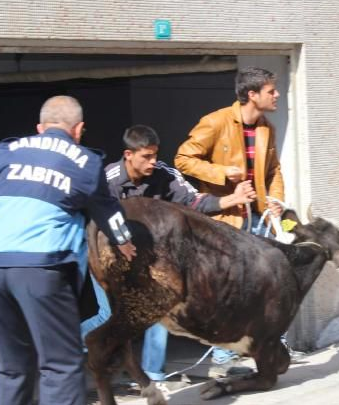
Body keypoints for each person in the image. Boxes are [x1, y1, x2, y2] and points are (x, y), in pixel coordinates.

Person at [81, 124, 256, 386]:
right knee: (107, 317)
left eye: (155, 155)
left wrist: (231, 199)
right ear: (128, 154)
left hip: (147, 260)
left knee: (157, 309)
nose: (153, 162)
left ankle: (153, 375)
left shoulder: (164, 174)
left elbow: (194, 203)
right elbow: (92, 220)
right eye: (146, 157)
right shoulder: (106, 180)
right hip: (106, 258)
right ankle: (65, 346)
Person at [0, 95, 136, 405]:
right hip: (42, 267)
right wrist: (123, 240)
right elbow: (107, 211)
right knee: (60, 364)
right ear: (79, 130)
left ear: (39, 128)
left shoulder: (6, 151)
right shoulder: (85, 161)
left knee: (11, 368)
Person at [175, 66, 305, 374]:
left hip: (259, 219)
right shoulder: (216, 121)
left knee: (271, 284)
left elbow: (273, 171)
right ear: (252, 94)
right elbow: (183, 158)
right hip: (226, 220)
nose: (276, 95)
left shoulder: (266, 128)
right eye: (271, 91)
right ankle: (223, 357)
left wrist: (276, 201)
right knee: (228, 289)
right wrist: (222, 173)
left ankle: (273, 347)